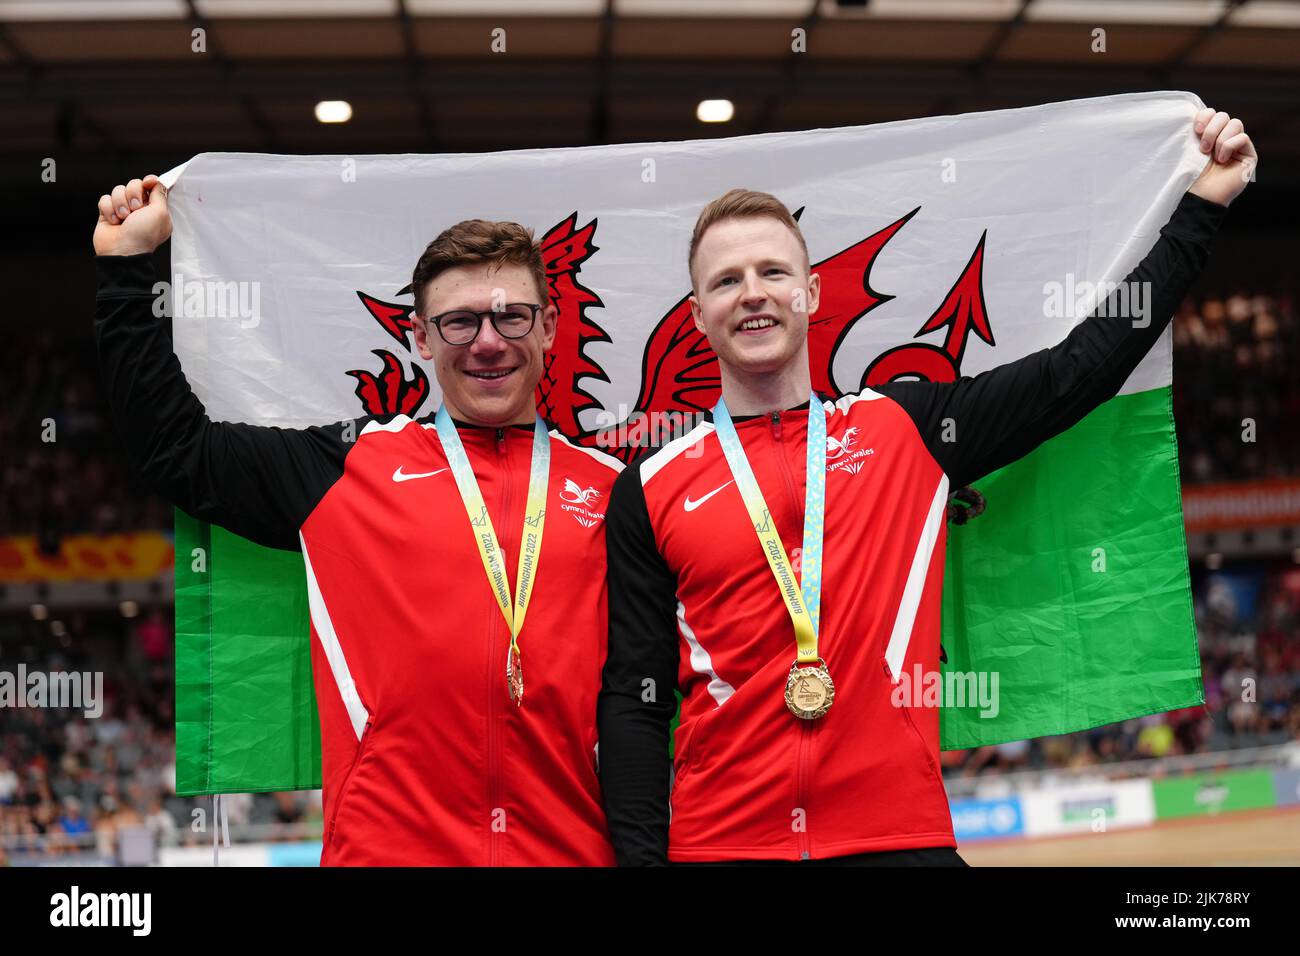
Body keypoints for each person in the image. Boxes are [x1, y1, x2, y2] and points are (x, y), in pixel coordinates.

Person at [597, 108, 1256, 865]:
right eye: (726, 280)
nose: (753, 293)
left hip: (897, 836)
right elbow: (633, 700)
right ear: (697, 315)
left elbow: (1080, 370)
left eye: (773, 272)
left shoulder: (906, 428)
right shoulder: (648, 484)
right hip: (722, 847)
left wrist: (1206, 201)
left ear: (810, 293)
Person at [93, 175, 621, 865]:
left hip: (572, 856)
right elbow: (178, 451)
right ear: (421, 339)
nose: (487, 342)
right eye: (459, 322)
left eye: (511, 316)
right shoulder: (345, 467)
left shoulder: (619, 493)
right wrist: (127, 273)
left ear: (549, 327)